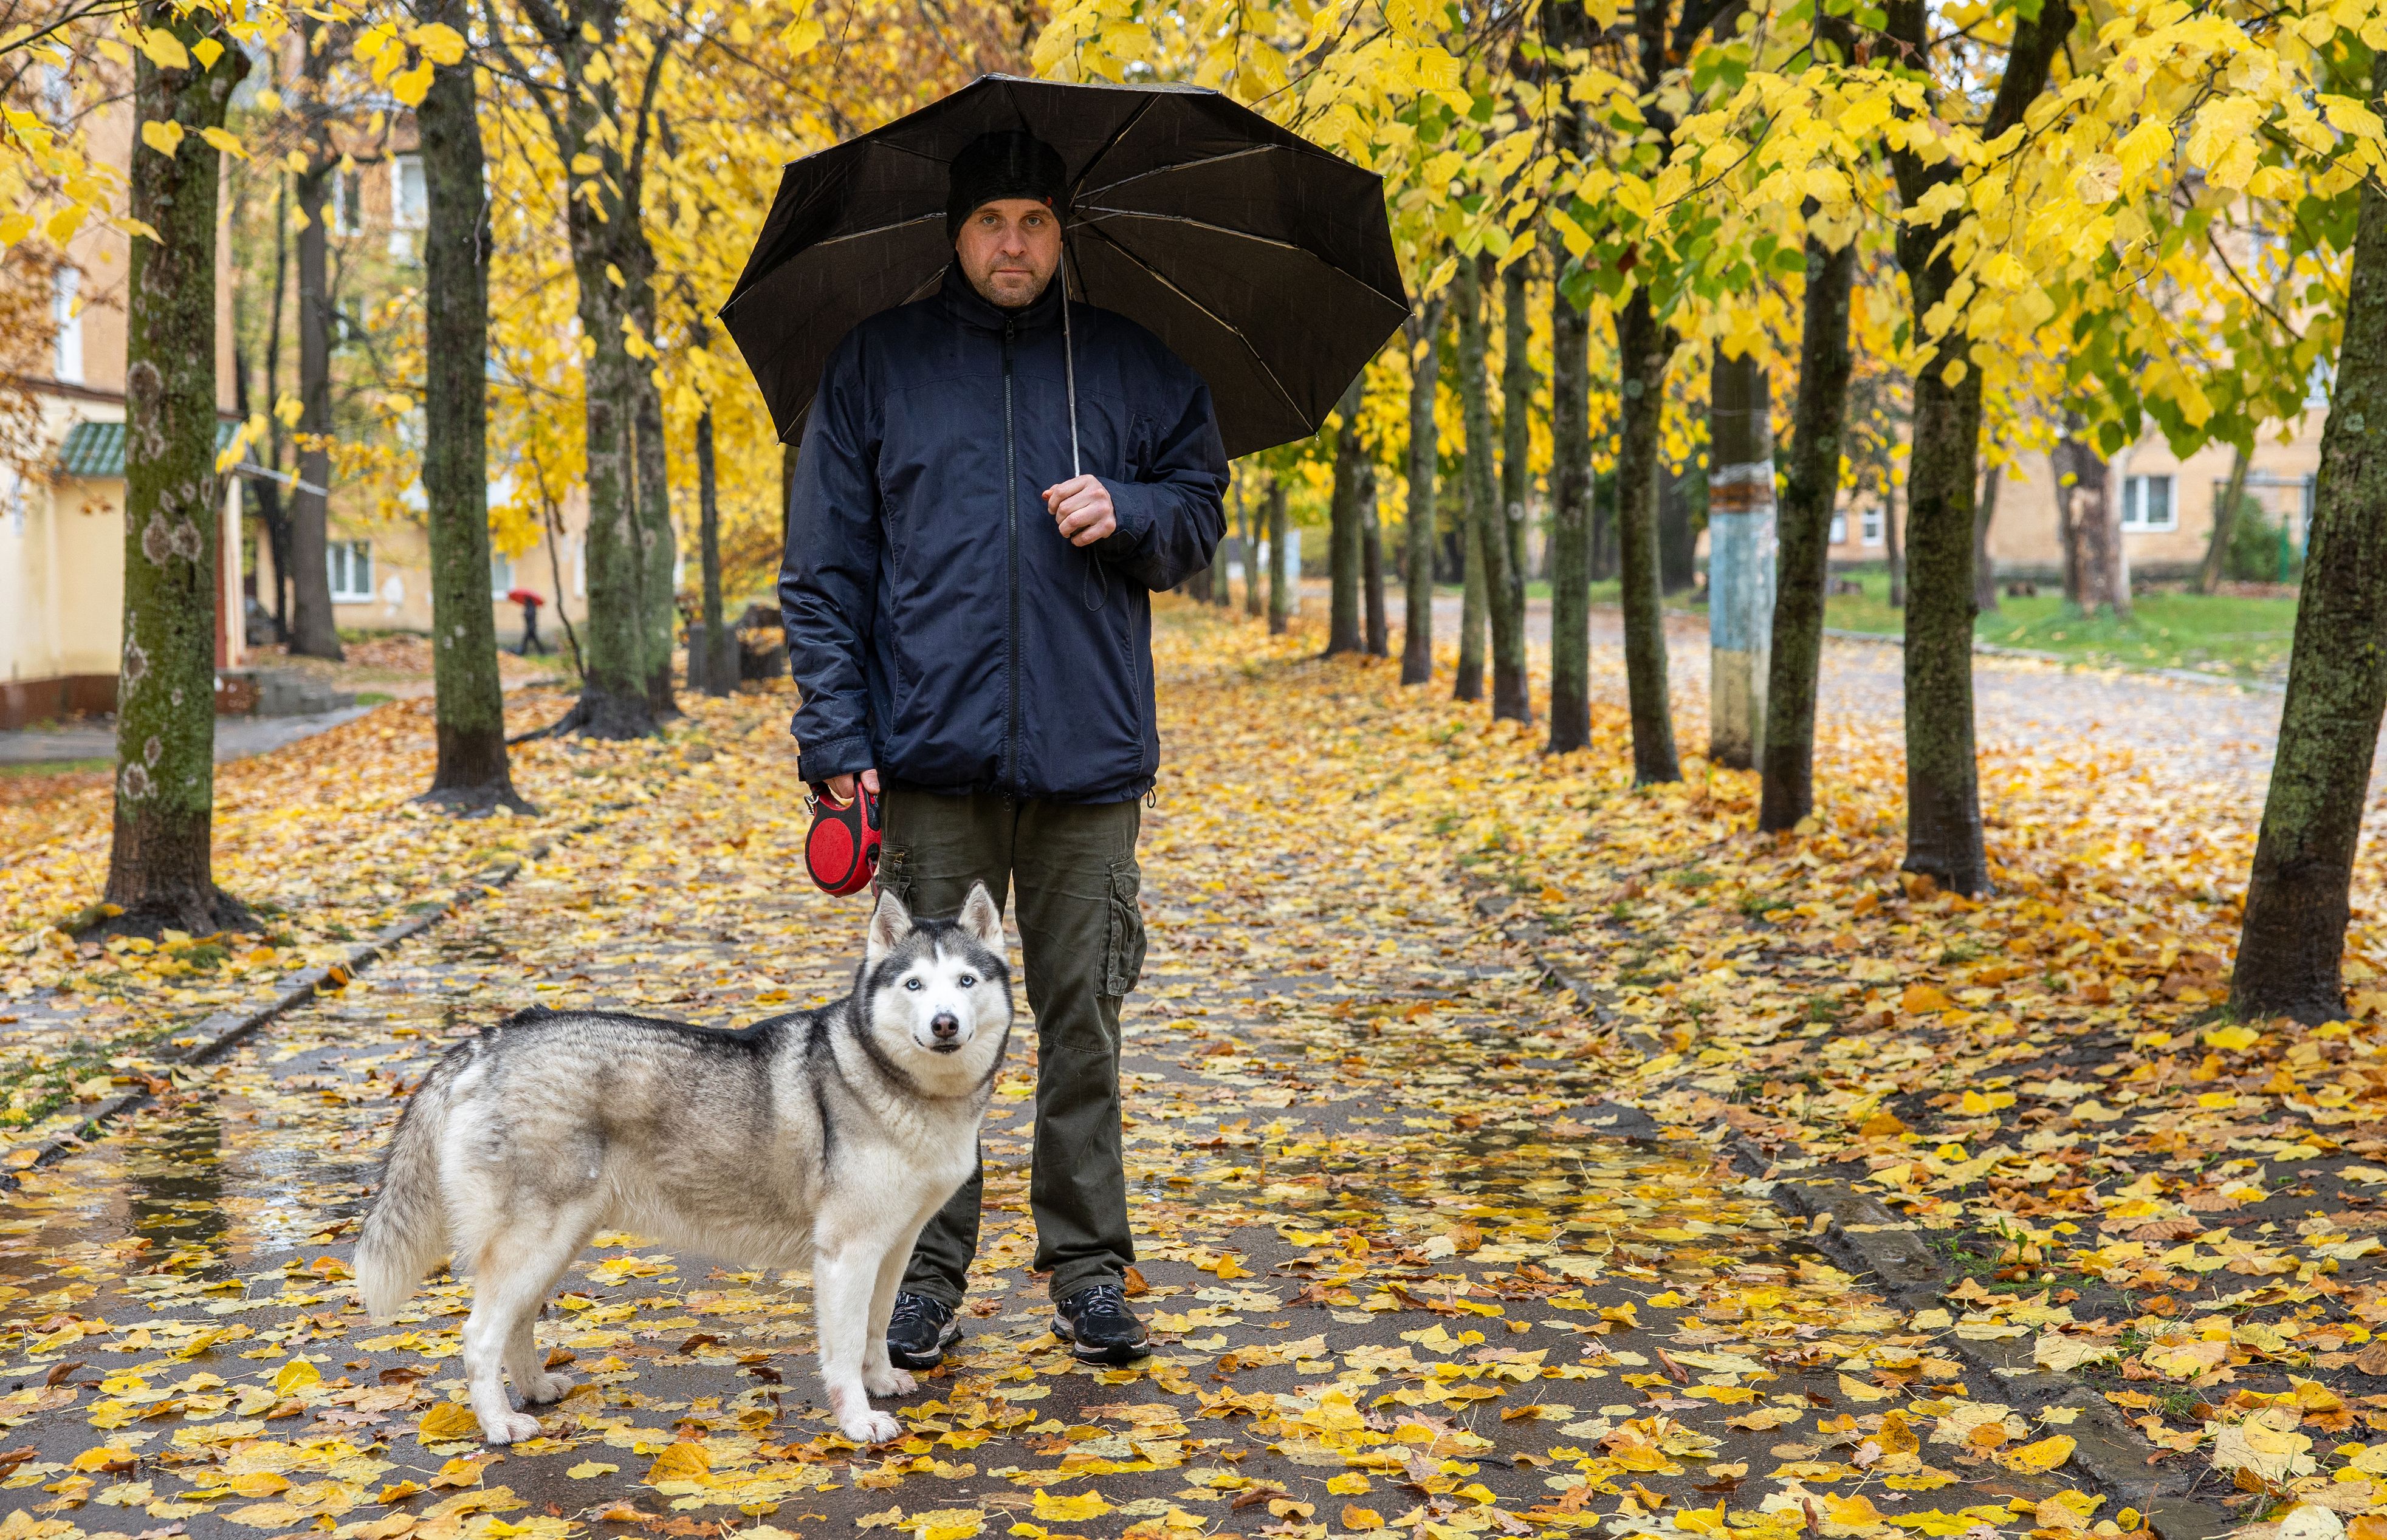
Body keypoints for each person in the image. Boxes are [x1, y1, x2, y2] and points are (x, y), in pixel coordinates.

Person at [780, 131, 1228, 1369]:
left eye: (1035, 219)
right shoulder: (877, 366)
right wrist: (838, 734)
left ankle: (1087, 1265)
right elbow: (822, 574)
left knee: (1082, 1018)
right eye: (992, 221)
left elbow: (1197, 516)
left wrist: (1126, 509)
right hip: (928, 763)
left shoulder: (1133, 366)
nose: (1014, 244)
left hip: (1089, 762)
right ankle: (924, 1272)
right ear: (955, 232)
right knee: (924, 1036)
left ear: (1062, 229)